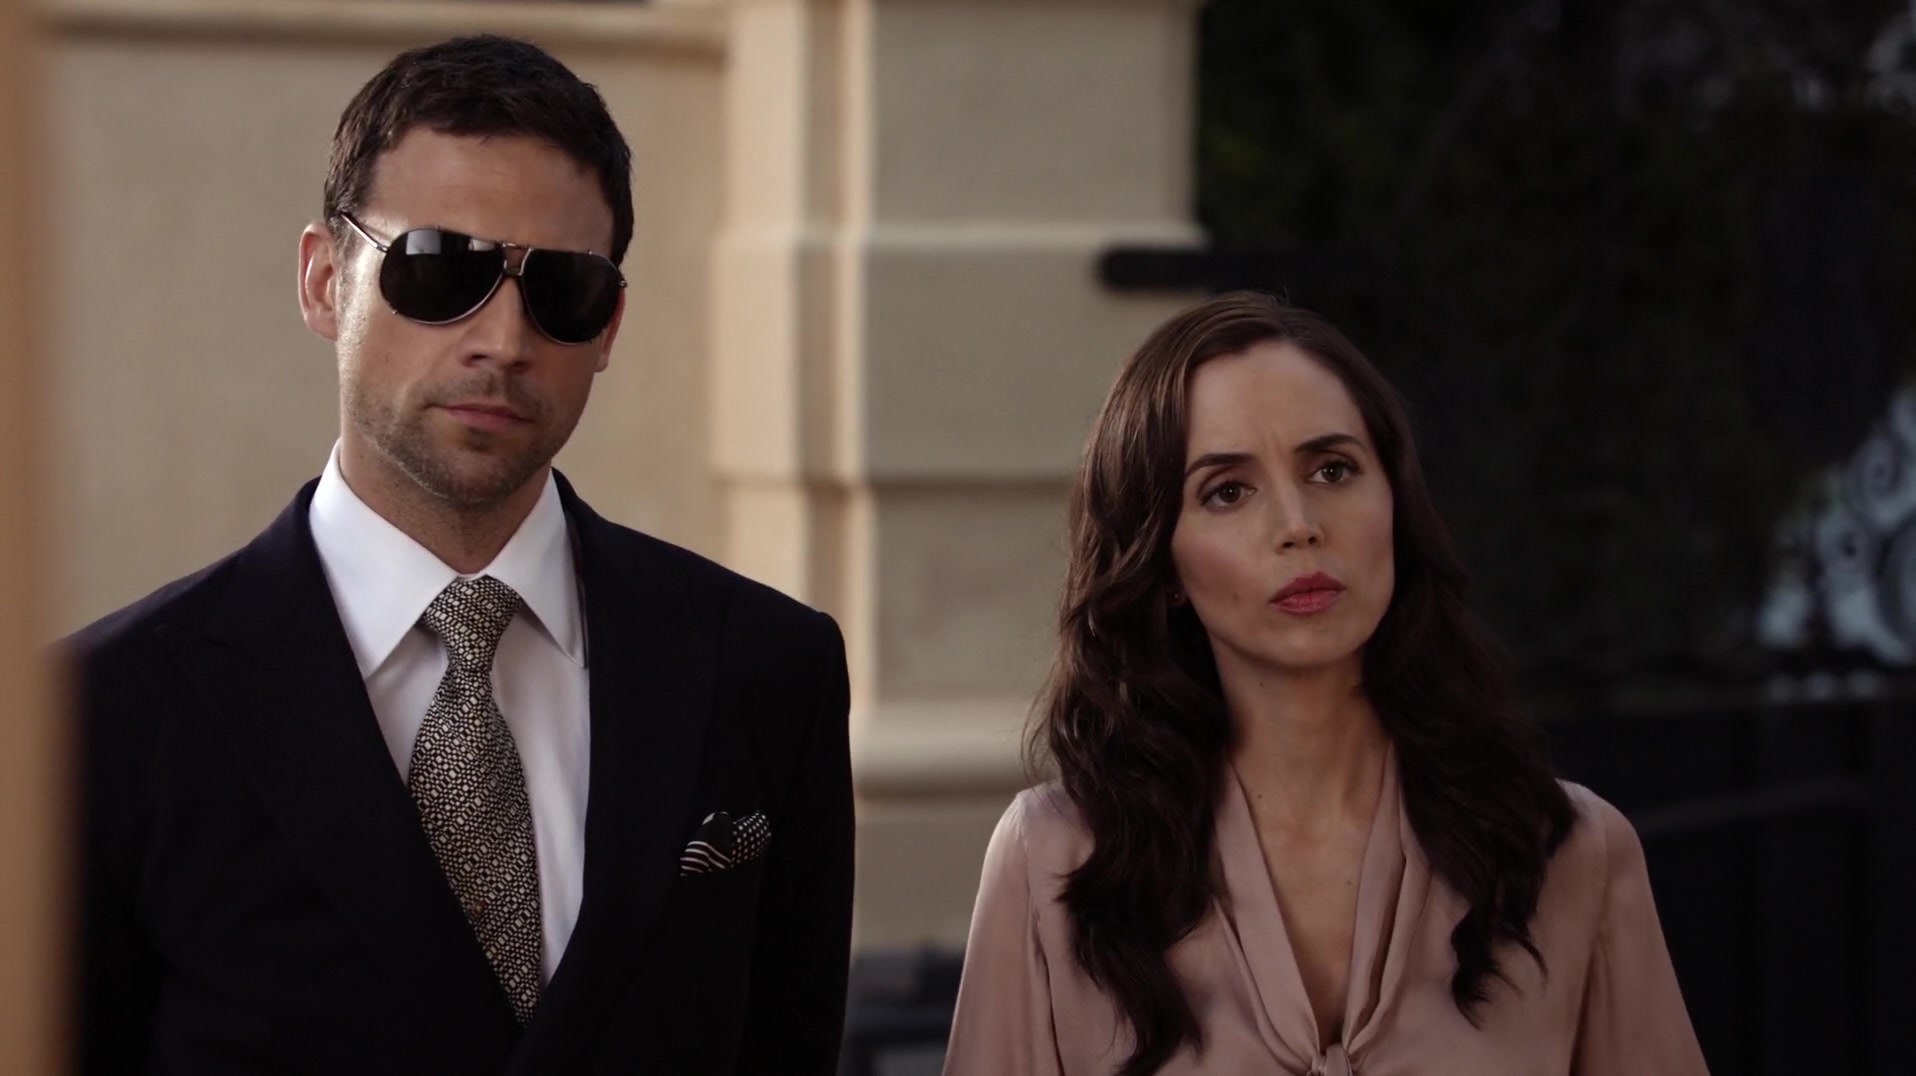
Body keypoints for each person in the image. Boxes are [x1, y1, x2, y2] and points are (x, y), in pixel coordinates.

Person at [69, 35, 852, 1075]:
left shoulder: (766, 667)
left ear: (609, 324)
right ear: (323, 281)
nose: (504, 340)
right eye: (440, 268)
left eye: (562, 288)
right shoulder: (97, 714)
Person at [942, 292, 1707, 1076]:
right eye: (1228, 490)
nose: (1299, 523)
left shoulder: (1569, 853)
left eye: (1332, 469)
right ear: (1162, 563)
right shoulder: (1054, 861)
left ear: (1395, 504)